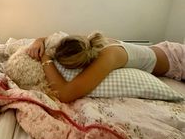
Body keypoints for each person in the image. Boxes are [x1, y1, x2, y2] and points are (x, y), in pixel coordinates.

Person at [26, 32, 185, 102]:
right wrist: (39, 41)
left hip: (178, 59)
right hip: (166, 49)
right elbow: (55, 38)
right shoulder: (87, 43)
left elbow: (65, 94)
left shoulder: (108, 57)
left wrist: (45, 58)